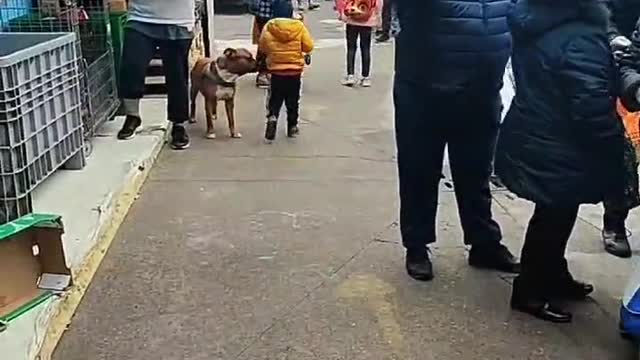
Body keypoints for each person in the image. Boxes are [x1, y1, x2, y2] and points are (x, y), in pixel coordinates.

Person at [496, 0, 627, 323]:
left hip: (537, 131)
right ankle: (529, 289)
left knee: (557, 211)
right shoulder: (579, 35)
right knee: (553, 216)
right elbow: (591, 103)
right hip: (562, 143)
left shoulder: (536, 21)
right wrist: (615, 148)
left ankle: (552, 273)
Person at [394, 0, 520, 282]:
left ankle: (483, 242)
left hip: (483, 90)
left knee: (476, 171)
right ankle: (416, 244)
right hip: (424, 89)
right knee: (419, 169)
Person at [117, 0, 195, 150]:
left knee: (177, 75)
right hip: (140, 18)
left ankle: (178, 124)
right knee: (132, 66)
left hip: (178, 21)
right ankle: (132, 115)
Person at [600, 0, 640, 258]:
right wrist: (614, 38)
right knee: (622, 149)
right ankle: (614, 221)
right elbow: (598, 9)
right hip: (617, 65)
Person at [259, 0, 314, 142]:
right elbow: (308, 46)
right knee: (293, 100)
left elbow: (263, 47)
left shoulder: (269, 27)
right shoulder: (299, 27)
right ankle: (292, 126)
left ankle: (272, 117)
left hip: (276, 72)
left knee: (275, 99)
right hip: (294, 72)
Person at [335, 0, 383, 87]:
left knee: (351, 48)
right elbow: (378, 3)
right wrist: (378, 17)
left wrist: (341, 12)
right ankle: (365, 77)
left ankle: (350, 75)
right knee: (366, 49)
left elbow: (341, 1)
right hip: (368, 20)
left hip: (351, 19)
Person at [248, 0, 277, 88]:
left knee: (267, 43)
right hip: (268, 13)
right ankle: (264, 72)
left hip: (265, 12)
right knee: (268, 44)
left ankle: (266, 72)